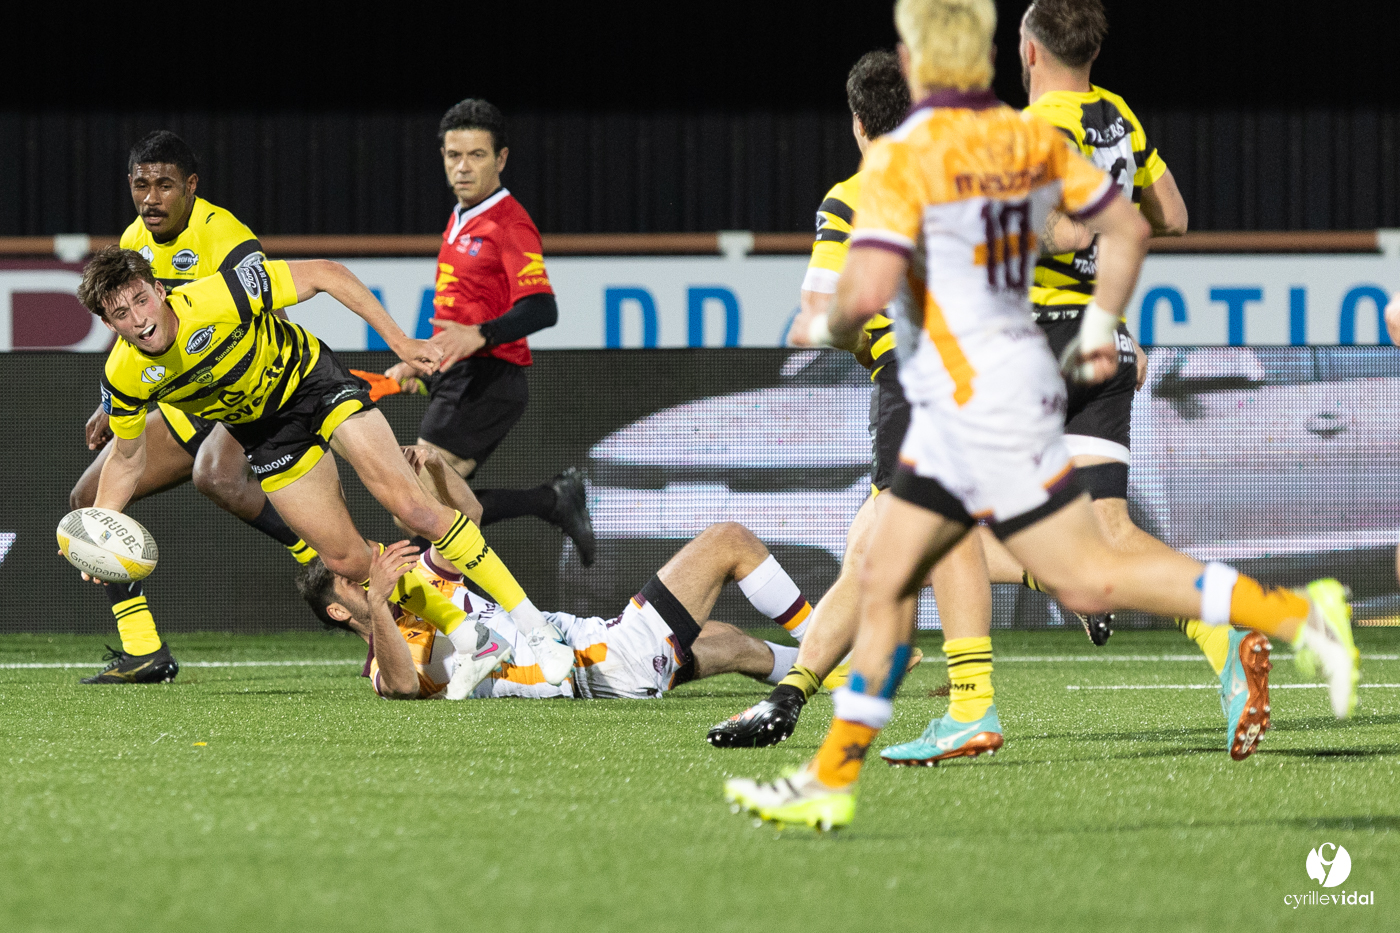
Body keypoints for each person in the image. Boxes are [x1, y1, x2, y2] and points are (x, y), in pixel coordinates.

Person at [725, 0, 1359, 832]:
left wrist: (830, 323)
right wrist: (1101, 326)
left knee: (905, 562)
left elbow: (864, 300)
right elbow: (1130, 227)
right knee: (1069, 567)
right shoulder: (1037, 133)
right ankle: (1290, 615)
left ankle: (892, 746)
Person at [74, 244, 578, 690]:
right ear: (108, 323)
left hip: (312, 384)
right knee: (347, 562)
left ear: (159, 289)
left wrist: (400, 342)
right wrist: (102, 532)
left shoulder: (215, 297)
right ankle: (475, 637)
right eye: (122, 313)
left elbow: (326, 274)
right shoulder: (125, 373)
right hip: (265, 433)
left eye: (142, 299)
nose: (139, 318)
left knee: (412, 508)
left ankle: (536, 627)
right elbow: (126, 456)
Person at [710, 50, 1000, 759]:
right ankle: (793, 694)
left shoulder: (854, 195)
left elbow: (821, 313)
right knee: (873, 547)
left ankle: (971, 704)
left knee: (906, 544)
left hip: (917, 381)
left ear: (857, 124)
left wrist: (854, 334)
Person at [70, 131, 315, 684]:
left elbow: (260, 305)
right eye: (141, 185)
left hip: (249, 380)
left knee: (218, 474)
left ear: (191, 187)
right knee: (90, 501)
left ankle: (321, 562)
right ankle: (144, 651)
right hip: (186, 395)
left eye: (164, 184)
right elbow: (131, 318)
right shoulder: (135, 240)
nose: (151, 197)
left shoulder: (223, 233)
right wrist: (111, 400)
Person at [297, 447, 815, 701]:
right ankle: (831, 649)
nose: (364, 567)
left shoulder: (418, 584)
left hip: (597, 646)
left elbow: (469, 520)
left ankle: (823, 667)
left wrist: (434, 469)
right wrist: (384, 598)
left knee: (724, 641)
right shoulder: (382, 661)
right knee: (728, 540)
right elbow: (404, 686)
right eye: (349, 576)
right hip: (601, 665)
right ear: (339, 609)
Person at [380, 98, 595, 565]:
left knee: (416, 509)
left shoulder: (510, 223)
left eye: (476, 155)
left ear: (500, 159)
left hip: (488, 378)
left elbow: (543, 308)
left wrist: (478, 336)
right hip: (459, 375)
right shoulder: (462, 216)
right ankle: (552, 501)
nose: (462, 167)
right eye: (453, 155)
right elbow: (462, 312)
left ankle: (552, 503)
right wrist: (425, 361)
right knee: (423, 509)